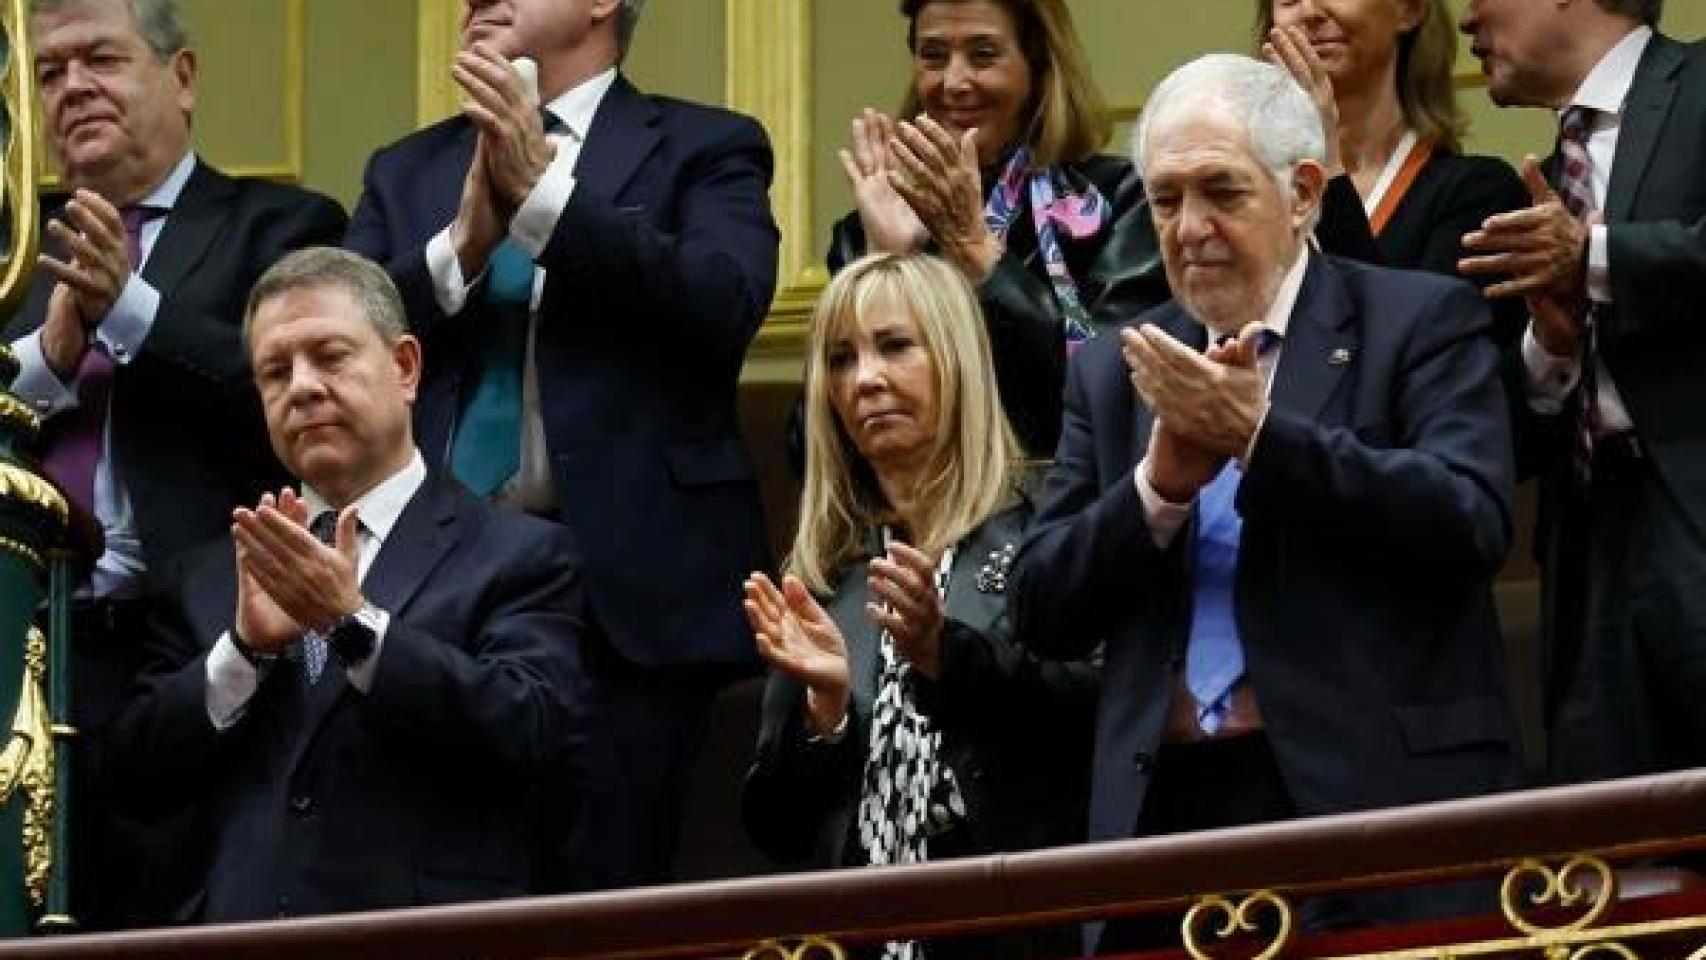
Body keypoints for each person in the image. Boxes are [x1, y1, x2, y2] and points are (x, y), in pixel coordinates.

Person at [1010, 55, 1519, 950]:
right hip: (1164, 822)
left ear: (1303, 193)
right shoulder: (1120, 368)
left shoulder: (1418, 319)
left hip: (1364, 811)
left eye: (1221, 192)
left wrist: (1259, 438)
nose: (1190, 228)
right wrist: (1159, 489)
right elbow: (1041, 605)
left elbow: (1469, 518)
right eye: (1165, 200)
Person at [342, 0, 778, 890]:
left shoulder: (706, 147)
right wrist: (461, 249)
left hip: (629, 605)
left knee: (609, 906)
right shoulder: (405, 170)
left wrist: (544, 202)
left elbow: (721, 302)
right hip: (435, 596)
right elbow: (340, 339)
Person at [105, 247, 588, 923]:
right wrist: (241, 653)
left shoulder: (520, 555)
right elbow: (130, 781)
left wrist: (353, 626)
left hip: (428, 935)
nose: (302, 388)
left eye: (329, 357)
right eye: (276, 372)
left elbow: (534, 734)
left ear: (405, 368)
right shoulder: (208, 575)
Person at [0, 0, 346, 927]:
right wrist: (52, 359)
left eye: (101, 60)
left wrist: (128, 311)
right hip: (31, 640)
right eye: (50, 72)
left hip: (202, 644)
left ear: (182, 78)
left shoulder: (281, 225)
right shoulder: (11, 256)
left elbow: (284, 400)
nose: (74, 88)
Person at [743, 252, 1094, 960]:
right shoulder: (827, 572)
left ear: (956, 359)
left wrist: (947, 657)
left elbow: (1096, 723)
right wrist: (827, 717)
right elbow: (777, 832)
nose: (865, 379)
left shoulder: (1046, 523)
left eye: (895, 346)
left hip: (1019, 931)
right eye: (841, 360)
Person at [1456, 0, 1706, 783]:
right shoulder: (1528, 195)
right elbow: (1515, 426)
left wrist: (1595, 256)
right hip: (1585, 559)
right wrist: (1553, 347)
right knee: (1617, 840)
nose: (1466, 20)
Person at [825, 0, 1167, 458]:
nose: (954, 82)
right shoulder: (868, 228)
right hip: (920, 495)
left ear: (1038, 65)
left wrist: (976, 250)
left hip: (1066, 491)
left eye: (983, 55)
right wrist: (888, 265)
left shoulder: (1120, 201)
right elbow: (813, 443)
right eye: (933, 56)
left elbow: (1111, 391)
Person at [1257, 0, 1528, 332]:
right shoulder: (1249, 193)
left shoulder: (1478, 193)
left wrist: (1328, 160)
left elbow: (1401, 344)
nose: (1310, 11)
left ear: (1409, 10)